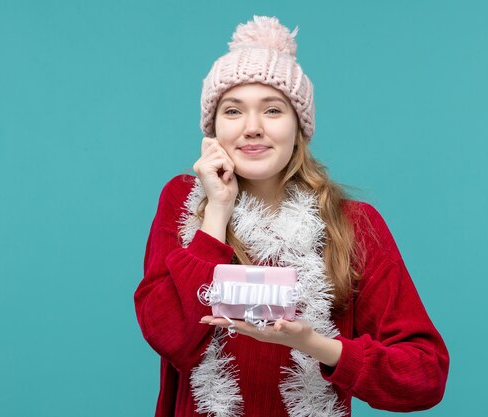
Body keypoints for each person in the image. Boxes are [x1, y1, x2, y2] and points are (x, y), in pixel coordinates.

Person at [134, 15, 449, 417]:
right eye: (233, 111)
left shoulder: (352, 224)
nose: (252, 128)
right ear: (212, 128)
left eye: (272, 110)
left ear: (299, 127)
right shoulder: (185, 203)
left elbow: (425, 375)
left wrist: (315, 345)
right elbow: (169, 335)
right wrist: (216, 213)